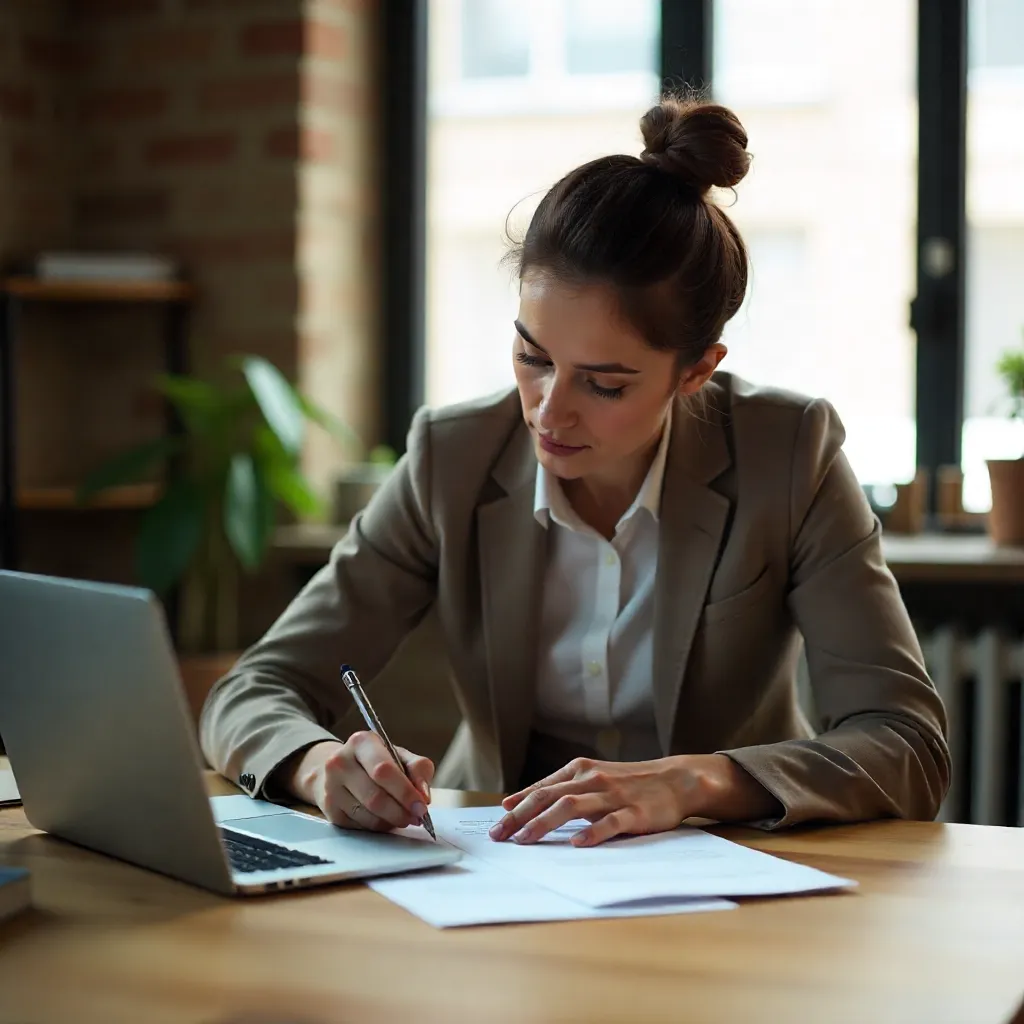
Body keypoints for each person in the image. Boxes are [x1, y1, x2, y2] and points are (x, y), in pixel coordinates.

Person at [200, 96, 950, 849]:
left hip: (724, 867)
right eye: (533, 357)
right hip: (495, 863)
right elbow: (252, 690)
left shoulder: (788, 453)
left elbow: (908, 744)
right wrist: (316, 762)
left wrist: (694, 780)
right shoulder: (452, 457)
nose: (548, 413)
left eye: (605, 383)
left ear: (695, 371)